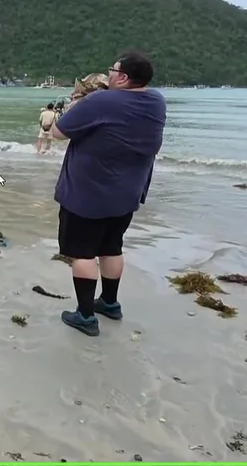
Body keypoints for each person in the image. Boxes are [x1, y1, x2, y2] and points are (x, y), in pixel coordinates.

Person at [50, 51, 166, 336]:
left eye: (112, 70)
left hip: (88, 193)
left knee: (82, 254)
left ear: (123, 77)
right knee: (112, 247)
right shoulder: (157, 101)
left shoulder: (101, 101)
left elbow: (58, 132)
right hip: (127, 193)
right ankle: (110, 303)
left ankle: (85, 315)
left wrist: (75, 105)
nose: (109, 74)